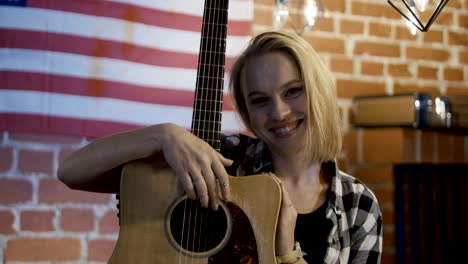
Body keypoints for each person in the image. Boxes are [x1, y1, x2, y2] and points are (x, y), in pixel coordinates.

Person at [58, 30, 382, 263]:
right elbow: (71, 171)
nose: (279, 112)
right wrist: (163, 135)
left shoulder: (358, 206)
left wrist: (286, 251)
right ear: (247, 110)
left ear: (319, 92)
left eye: (293, 91)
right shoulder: (220, 158)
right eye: (260, 100)